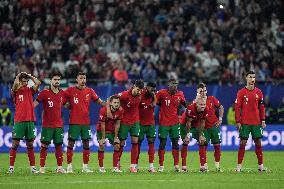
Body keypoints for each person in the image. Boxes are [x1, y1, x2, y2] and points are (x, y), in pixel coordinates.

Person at [64, 72, 106, 173]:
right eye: (81, 78)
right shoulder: (70, 90)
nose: (83, 80)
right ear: (77, 79)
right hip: (74, 122)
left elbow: (99, 101)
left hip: (85, 123)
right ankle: (69, 167)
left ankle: (85, 167)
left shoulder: (89, 91)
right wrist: (67, 105)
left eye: (84, 78)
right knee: (71, 144)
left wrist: (108, 104)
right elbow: (62, 100)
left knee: (86, 144)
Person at [34, 72, 67, 173]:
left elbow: (66, 105)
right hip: (47, 125)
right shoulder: (44, 92)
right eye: (55, 79)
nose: (57, 81)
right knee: (44, 146)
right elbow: (34, 104)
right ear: (51, 81)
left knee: (59, 146)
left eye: (58, 80)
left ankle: (60, 168)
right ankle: (42, 168)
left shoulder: (62, 93)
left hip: (58, 125)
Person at [8, 72, 41, 173]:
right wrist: (18, 76)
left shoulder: (30, 90)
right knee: (15, 145)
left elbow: (38, 83)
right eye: (23, 81)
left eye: (26, 82)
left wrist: (29, 76)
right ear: (19, 82)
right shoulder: (15, 91)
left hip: (30, 120)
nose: (25, 83)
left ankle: (33, 168)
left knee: (30, 145)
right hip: (19, 121)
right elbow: (14, 86)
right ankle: (11, 168)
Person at [235, 71, 267, 172]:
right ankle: (239, 166)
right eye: (250, 77)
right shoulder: (241, 92)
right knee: (243, 143)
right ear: (246, 78)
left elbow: (261, 107)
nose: (252, 79)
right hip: (244, 122)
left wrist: (263, 120)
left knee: (258, 143)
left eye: (254, 77)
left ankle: (260, 166)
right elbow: (237, 107)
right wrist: (238, 121)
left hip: (256, 122)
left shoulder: (259, 92)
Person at [156, 79, 186, 172]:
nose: (175, 86)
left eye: (176, 84)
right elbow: (155, 103)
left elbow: (185, 105)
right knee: (162, 144)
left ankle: (176, 166)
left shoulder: (180, 94)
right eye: (173, 84)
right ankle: (161, 166)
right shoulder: (161, 93)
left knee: (175, 143)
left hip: (174, 123)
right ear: (168, 85)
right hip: (163, 123)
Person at [115, 80, 144, 173]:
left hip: (135, 122)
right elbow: (112, 99)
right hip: (124, 122)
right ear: (134, 86)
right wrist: (110, 110)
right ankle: (117, 163)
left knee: (135, 142)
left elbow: (151, 93)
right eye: (138, 90)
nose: (139, 92)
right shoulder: (124, 94)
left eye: (140, 90)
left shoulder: (140, 94)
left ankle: (133, 166)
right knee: (122, 143)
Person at [196, 83, 224, 171]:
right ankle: (204, 166)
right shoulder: (196, 102)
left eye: (205, 90)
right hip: (204, 128)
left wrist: (220, 119)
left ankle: (217, 166)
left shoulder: (211, 99)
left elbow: (221, 107)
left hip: (214, 126)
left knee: (217, 145)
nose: (203, 92)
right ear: (198, 92)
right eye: (201, 91)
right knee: (203, 146)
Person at [180, 95, 209, 172]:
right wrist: (187, 135)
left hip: (196, 124)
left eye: (204, 104)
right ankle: (183, 167)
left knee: (202, 141)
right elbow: (188, 123)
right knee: (185, 142)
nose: (203, 106)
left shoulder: (206, 109)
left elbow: (202, 122)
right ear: (196, 104)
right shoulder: (191, 108)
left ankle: (202, 167)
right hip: (184, 125)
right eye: (201, 105)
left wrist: (201, 135)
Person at [96, 95, 124, 173]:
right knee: (101, 145)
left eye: (118, 102)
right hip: (101, 130)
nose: (117, 104)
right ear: (110, 103)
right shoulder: (103, 110)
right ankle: (101, 167)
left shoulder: (120, 110)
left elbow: (117, 124)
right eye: (115, 102)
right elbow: (102, 124)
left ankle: (115, 167)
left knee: (117, 145)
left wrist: (116, 137)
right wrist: (103, 138)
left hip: (111, 131)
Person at [136, 82, 157, 172]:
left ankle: (151, 166)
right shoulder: (140, 94)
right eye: (152, 89)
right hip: (140, 123)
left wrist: (154, 96)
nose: (153, 91)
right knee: (138, 144)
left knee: (151, 142)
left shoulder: (152, 95)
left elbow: (154, 105)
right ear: (147, 87)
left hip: (151, 123)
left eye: (154, 90)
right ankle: (135, 165)